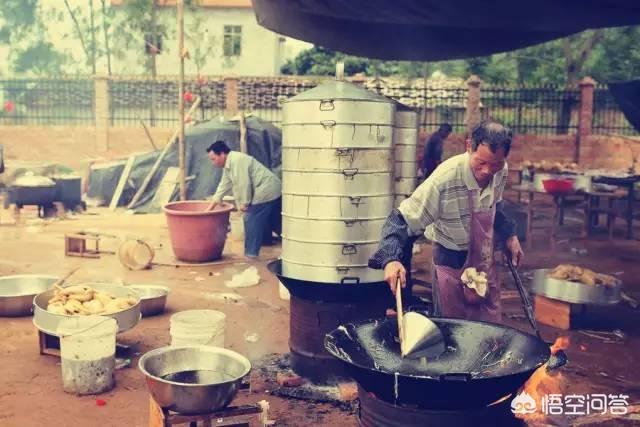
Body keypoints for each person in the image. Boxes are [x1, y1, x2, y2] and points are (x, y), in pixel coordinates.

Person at [369, 120, 524, 323]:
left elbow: (496, 207)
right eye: (481, 163)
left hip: (484, 259)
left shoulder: (500, 171)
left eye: (495, 164)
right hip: (450, 257)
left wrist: (510, 236)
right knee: (453, 327)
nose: (488, 171)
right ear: (469, 147)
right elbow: (400, 220)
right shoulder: (444, 180)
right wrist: (391, 259)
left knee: (489, 326)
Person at [206, 141, 282, 259]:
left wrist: (244, 203)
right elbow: (223, 185)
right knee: (273, 219)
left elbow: (243, 184)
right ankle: (273, 242)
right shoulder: (229, 165)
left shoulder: (237, 160)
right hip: (272, 188)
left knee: (250, 218)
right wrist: (209, 208)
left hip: (266, 188)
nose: (212, 163)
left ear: (222, 154)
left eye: (213, 159)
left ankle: (251, 254)